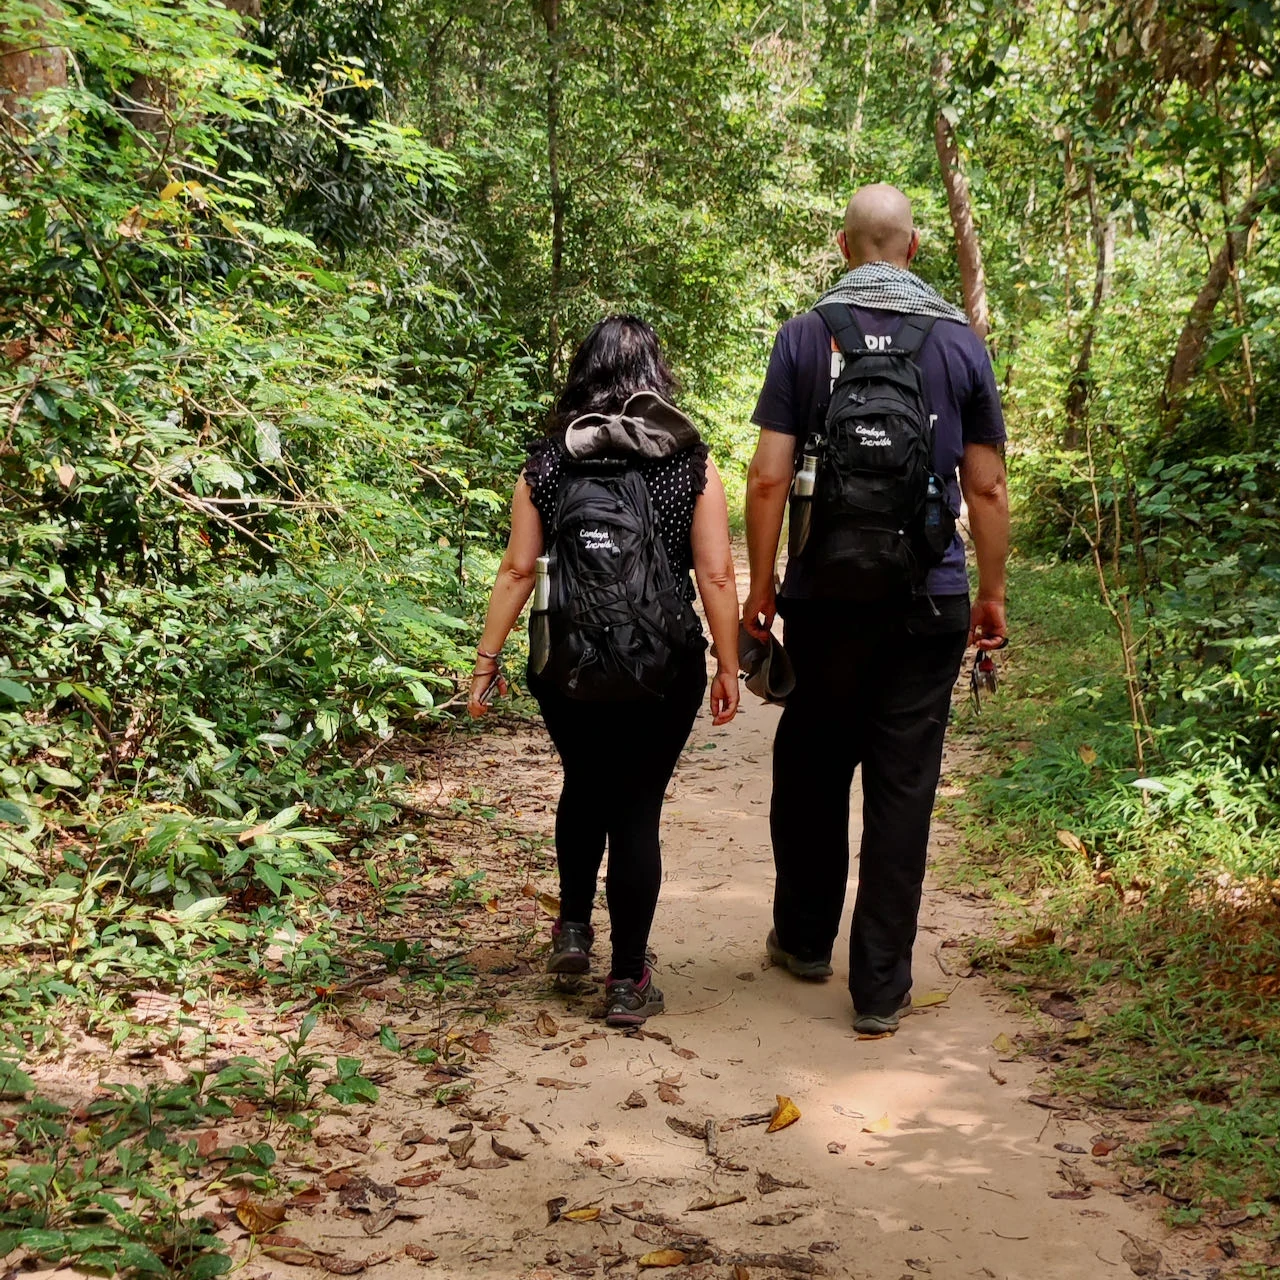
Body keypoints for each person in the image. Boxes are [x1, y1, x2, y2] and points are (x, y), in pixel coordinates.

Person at [742, 183, 1010, 1035]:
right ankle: (882, 987)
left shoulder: (803, 335)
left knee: (814, 762)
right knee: (904, 784)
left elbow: (767, 476)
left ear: (842, 242)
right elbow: (989, 485)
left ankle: (806, 939)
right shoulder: (961, 345)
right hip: (929, 597)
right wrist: (991, 593)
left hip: (823, 596)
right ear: (916, 246)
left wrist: (760, 587)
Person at [468, 315, 741, 1027]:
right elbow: (714, 571)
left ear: (582, 373)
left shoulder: (549, 461)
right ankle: (627, 980)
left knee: (585, 782)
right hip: (663, 664)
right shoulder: (689, 459)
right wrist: (729, 662)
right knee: (636, 808)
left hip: (569, 663)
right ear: (657, 374)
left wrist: (487, 660)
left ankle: (572, 930)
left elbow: (518, 568)